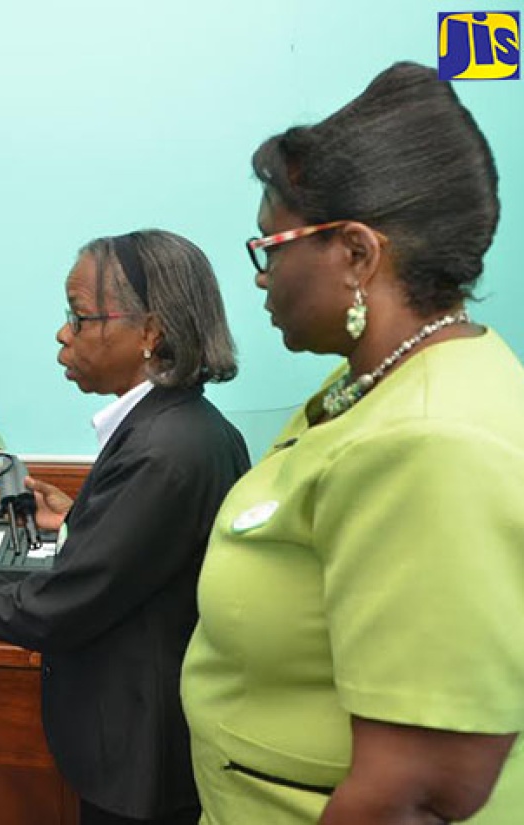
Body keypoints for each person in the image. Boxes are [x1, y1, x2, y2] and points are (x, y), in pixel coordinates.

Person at [181, 61, 524, 824]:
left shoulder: (432, 440)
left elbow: (418, 788)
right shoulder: (379, 383)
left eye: (272, 246)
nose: (263, 278)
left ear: (360, 254)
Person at [0, 230, 250, 825]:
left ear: (150, 331)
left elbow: (55, 610)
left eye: (79, 316)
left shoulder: (162, 450)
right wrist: (83, 517)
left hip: (142, 764)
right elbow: (153, 560)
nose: (63, 333)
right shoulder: (187, 427)